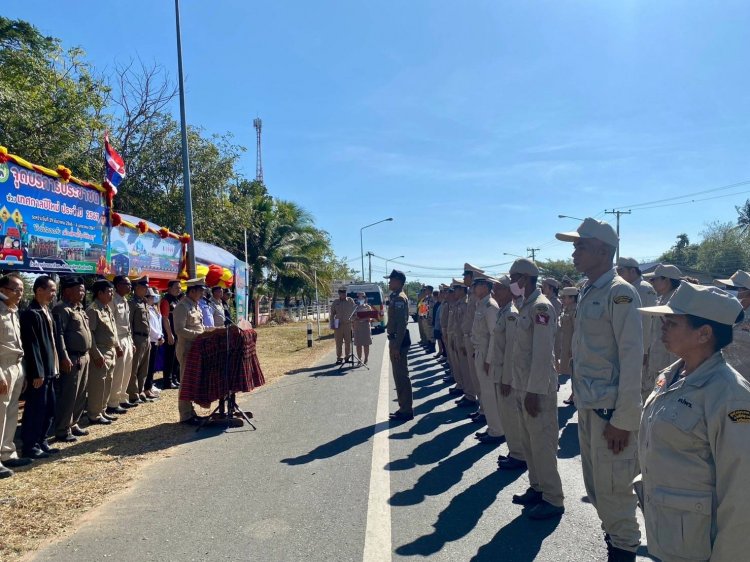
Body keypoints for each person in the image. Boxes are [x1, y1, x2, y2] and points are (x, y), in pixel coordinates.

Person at [637, 282, 750, 561]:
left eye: (672, 322)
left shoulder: (730, 395)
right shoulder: (672, 375)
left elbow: (741, 492)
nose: (663, 325)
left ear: (704, 334)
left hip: (698, 545)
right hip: (670, 531)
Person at [556, 218, 643, 561]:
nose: (574, 252)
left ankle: (623, 549)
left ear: (604, 251)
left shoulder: (620, 293)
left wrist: (624, 418)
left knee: (614, 489)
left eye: (581, 246)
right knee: (596, 488)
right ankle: (615, 540)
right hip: (591, 405)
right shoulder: (591, 288)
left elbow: (632, 357)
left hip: (611, 411)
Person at [507, 258, 564, 520]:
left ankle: (553, 498)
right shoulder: (524, 305)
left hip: (537, 389)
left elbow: (542, 354)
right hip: (523, 384)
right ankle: (537, 487)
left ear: (525, 279)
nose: (511, 283)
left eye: (513, 277)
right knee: (529, 442)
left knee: (542, 443)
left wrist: (533, 390)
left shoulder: (541, 306)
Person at [20, 275, 61, 459]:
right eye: (51, 290)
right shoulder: (31, 313)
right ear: (39, 290)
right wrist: (37, 372)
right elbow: (32, 345)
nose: (54, 294)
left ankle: (42, 440)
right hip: (40, 372)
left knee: (49, 408)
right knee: (36, 409)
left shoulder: (47, 311)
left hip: (51, 369)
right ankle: (30, 445)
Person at [489, 275, 527, 470]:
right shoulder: (503, 312)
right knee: (505, 415)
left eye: (498, 289)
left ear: (507, 291)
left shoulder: (511, 313)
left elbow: (512, 349)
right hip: (499, 372)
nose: (494, 292)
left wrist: (506, 379)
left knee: (511, 417)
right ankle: (514, 451)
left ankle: (519, 455)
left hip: (507, 375)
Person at [52, 276, 93, 441]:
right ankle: (62, 429)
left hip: (84, 356)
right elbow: (59, 335)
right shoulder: (62, 309)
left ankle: (73, 423)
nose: (82, 293)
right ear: (68, 291)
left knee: (81, 393)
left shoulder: (79, 309)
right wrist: (64, 356)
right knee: (68, 395)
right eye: (79, 290)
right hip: (72, 357)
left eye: (83, 290)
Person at [0, 274, 32, 476]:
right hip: (2, 367)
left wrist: (23, 371)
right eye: (16, 289)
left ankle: (7, 454)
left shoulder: (13, 310)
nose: (20, 293)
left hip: (16, 365)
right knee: (0, 414)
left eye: (21, 289)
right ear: (3, 290)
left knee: (11, 412)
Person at [616, 257, 658, 401]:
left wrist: (644, 351)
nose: (618, 274)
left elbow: (646, 321)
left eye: (621, 271)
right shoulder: (627, 287)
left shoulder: (644, 288)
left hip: (640, 347)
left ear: (633, 271)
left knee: (641, 388)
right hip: (631, 345)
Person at [470, 273, 503, 444]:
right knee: (485, 392)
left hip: (486, 355)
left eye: (477, 285)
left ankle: (497, 431)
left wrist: (489, 360)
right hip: (480, 352)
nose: (474, 288)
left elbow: (494, 335)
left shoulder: (491, 306)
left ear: (485, 286)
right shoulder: (481, 304)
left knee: (489, 393)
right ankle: (492, 427)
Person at [643, 264, 682, 398]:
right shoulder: (663, 299)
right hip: (657, 361)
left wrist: (674, 370)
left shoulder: (676, 302)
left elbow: (676, 338)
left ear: (666, 280)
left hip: (667, 364)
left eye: (654, 279)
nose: (651, 282)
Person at [86, 280, 121, 425]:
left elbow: (113, 330)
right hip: (100, 351)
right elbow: (90, 335)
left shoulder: (107, 308)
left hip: (110, 350)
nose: (112, 294)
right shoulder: (93, 310)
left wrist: (117, 346)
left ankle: (102, 410)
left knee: (108, 383)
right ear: (99, 293)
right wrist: (96, 354)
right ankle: (94, 414)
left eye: (112, 291)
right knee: (98, 385)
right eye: (109, 291)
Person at [175, 278, 208, 424]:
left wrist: (211, 331)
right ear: (192, 291)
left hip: (196, 347)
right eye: (200, 291)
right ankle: (185, 415)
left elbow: (199, 327)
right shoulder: (182, 307)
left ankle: (191, 411)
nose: (202, 294)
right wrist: (200, 336)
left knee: (192, 380)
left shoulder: (195, 306)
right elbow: (180, 329)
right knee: (185, 381)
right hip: (187, 348)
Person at [713, 269, 750, 381]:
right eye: (727, 288)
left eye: (733, 288)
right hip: (724, 380)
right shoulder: (723, 313)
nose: (728, 291)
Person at [386, 269, 412, 420]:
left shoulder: (400, 298)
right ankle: (403, 407)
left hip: (399, 341)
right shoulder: (394, 296)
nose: (389, 282)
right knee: (398, 375)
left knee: (402, 376)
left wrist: (396, 346)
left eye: (391, 280)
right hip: (395, 339)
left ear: (399, 282)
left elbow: (402, 324)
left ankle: (406, 410)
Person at [109, 276, 135, 410]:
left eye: (130, 284)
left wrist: (131, 341)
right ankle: (113, 402)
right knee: (118, 372)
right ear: (118, 285)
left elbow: (127, 323)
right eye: (127, 284)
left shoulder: (125, 300)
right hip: (118, 338)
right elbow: (111, 324)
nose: (130, 287)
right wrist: (116, 344)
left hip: (127, 338)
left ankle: (122, 398)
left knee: (127, 371)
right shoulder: (112, 300)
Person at [459, 264, 483, 409]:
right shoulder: (471, 294)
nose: (464, 279)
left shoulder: (476, 296)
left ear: (472, 277)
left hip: (474, 339)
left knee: (478, 376)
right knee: (472, 374)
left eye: (466, 276)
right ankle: (480, 405)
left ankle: (483, 408)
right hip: (469, 337)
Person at [128, 276, 152, 404]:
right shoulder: (132, 303)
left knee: (144, 367)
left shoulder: (144, 302)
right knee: (134, 367)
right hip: (137, 337)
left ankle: (141, 390)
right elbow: (129, 324)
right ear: (137, 288)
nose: (146, 289)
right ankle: (133, 393)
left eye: (147, 287)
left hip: (146, 338)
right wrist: (131, 340)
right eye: (144, 287)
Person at [557, 286, 579, 405]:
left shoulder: (575, 311)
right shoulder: (567, 309)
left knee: (574, 372)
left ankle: (574, 395)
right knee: (570, 371)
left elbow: (577, 330)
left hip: (571, 346)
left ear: (572, 298)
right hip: (565, 345)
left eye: (565, 297)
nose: (563, 299)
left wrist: (572, 348)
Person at [159, 280, 182, 389]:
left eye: (180, 288)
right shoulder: (166, 300)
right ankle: (167, 381)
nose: (179, 290)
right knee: (169, 357)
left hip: (177, 333)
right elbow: (165, 318)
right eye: (176, 287)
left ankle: (175, 378)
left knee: (176, 357)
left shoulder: (177, 300)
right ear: (169, 288)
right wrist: (169, 334)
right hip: (170, 333)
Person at [144, 287, 164, 400]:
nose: (153, 298)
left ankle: (149, 386)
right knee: (148, 366)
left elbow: (158, 324)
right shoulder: (147, 309)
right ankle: (146, 387)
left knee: (151, 366)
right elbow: (150, 327)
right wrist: (158, 336)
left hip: (156, 339)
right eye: (151, 297)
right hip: (151, 339)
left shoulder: (153, 308)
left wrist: (161, 336)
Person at [330, 287, 355, 364]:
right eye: (342, 293)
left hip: (348, 325)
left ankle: (347, 357)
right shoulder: (336, 302)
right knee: (338, 342)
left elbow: (354, 311)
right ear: (339, 294)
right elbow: (332, 314)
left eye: (345, 293)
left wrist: (353, 322)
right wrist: (332, 324)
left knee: (348, 342)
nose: (344, 295)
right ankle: (339, 358)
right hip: (338, 325)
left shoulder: (350, 300)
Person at [352, 291, 373, 364]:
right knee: (358, 344)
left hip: (365, 327)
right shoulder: (354, 307)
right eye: (359, 297)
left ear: (365, 298)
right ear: (357, 298)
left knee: (366, 344)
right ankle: (359, 359)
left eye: (362, 297)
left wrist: (366, 319)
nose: (361, 298)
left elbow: (371, 318)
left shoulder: (368, 307)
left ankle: (366, 359)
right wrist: (355, 318)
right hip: (357, 327)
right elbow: (351, 317)